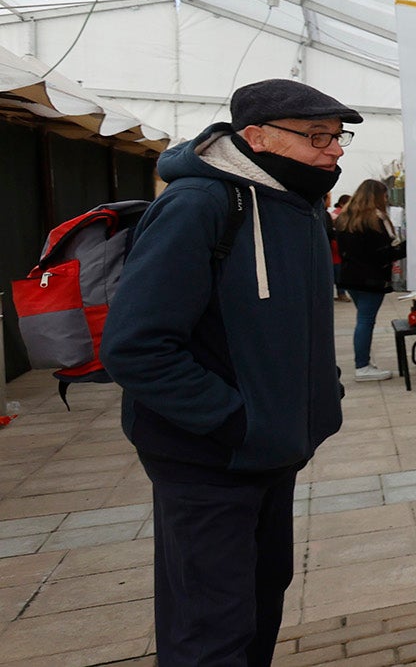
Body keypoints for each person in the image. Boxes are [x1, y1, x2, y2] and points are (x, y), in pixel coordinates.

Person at [102, 78, 359, 666]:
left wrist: (318, 400)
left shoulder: (298, 205)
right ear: (256, 137)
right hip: (209, 460)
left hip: (274, 449)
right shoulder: (200, 204)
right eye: (316, 136)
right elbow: (136, 345)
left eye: (337, 136)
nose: (335, 150)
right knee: (210, 628)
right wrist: (235, 420)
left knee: (259, 602)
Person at [335, 179, 404, 382]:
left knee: (363, 320)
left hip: (351, 278)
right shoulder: (375, 220)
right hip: (371, 279)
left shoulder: (346, 218)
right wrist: (408, 247)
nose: (386, 199)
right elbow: (383, 254)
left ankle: (363, 364)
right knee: (365, 321)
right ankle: (362, 366)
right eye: (384, 195)